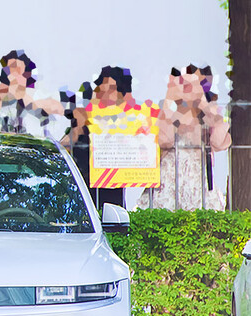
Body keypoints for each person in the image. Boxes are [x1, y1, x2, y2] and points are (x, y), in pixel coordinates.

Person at [144, 65, 230, 210]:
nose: (190, 88)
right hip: (169, 181)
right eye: (185, 83)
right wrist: (170, 99)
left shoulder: (208, 114)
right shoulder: (170, 112)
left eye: (197, 83)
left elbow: (219, 142)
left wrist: (204, 104)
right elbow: (165, 141)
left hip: (198, 183)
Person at [66, 66, 136, 210]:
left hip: (112, 198)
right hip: (83, 196)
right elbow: (63, 149)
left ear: (121, 95)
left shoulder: (126, 124)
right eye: (101, 89)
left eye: (111, 90)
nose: (105, 95)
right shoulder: (84, 120)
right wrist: (77, 127)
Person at [0, 50, 67, 139]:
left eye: (16, 68)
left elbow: (59, 109)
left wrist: (21, 95)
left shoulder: (38, 94)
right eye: (9, 70)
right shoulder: (2, 101)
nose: (13, 73)